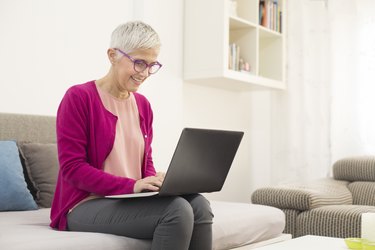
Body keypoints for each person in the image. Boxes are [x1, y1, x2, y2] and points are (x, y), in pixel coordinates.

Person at [50, 21, 213, 249]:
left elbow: (145, 163)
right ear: (112, 55)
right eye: (138, 63)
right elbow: (72, 168)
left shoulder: (143, 105)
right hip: (84, 204)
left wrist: (155, 183)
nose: (145, 73)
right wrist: (132, 186)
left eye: (151, 65)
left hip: (129, 200)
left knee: (199, 205)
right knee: (176, 210)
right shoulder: (79, 97)